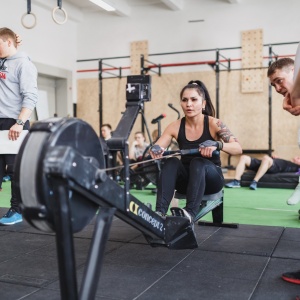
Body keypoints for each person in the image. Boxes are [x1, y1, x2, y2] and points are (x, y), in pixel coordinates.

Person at [149, 80, 242, 221]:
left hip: (211, 180)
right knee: (172, 161)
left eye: (194, 99)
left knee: (198, 162)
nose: (188, 104)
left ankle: (190, 213)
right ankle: (159, 213)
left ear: (203, 103)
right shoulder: (175, 126)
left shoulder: (214, 123)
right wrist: (156, 149)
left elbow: (237, 149)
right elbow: (159, 145)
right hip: (186, 182)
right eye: (185, 100)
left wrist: (217, 145)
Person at [0, 27, 38, 225]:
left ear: (7, 42)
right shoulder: (1, 61)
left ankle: (17, 210)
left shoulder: (24, 64)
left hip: (14, 122)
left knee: (15, 170)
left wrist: (20, 123)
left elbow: (30, 96)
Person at [225, 154, 300, 190]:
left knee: (266, 158)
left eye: (299, 158)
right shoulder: (287, 162)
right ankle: (236, 181)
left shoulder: (296, 167)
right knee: (244, 157)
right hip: (264, 163)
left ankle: (255, 181)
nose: (297, 157)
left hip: (273, 167)